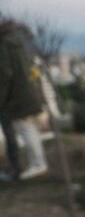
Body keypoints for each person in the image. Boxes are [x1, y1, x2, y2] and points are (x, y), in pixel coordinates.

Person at [0, 17, 48, 180]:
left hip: (16, 95)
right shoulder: (17, 40)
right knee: (28, 128)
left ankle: (38, 164)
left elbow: (5, 74)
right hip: (27, 91)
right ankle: (37, 162)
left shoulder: (3, 44)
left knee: (25, 128)